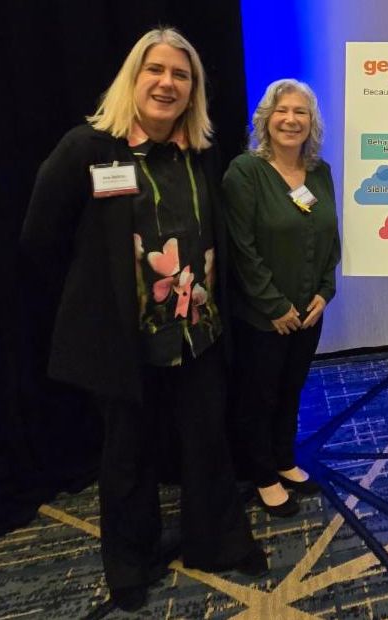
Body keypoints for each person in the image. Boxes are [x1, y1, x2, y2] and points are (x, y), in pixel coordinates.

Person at [19, 27, 265, 611]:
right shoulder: (88, 149)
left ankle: (219, 540)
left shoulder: (201, 153)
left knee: (207, 442)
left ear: (193, 90)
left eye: (182, 75)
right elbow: (38, 239)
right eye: (156, 70)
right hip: (123, 340)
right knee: (126, 454)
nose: (167, 82)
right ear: (134, 78)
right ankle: (131, 562)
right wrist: (97, 296)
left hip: (196, 331)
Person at [222, 79, 340, 518]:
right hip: (263, 315)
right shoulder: (244, 172)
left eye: (301, 112)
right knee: (259, 394)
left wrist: (325, 293)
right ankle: (262, 473)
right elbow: (242, 247)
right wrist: (274, 306)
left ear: (312, 123)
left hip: (310, 312)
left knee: (291, 387)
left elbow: (330, 237)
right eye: (282, 111)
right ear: (267, 119)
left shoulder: (320, 172)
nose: (291, 120)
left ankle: (283, 458)